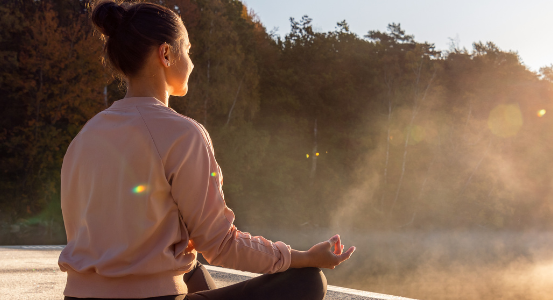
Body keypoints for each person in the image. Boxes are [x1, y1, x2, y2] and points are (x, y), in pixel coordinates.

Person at [57, 1, 355, 299]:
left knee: (191, 268)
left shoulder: (84, 137)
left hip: (77, 296)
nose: (192, 62)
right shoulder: (183, 133)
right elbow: (221, 245)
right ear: (166, 53)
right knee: (309, 281)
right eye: (187, 50)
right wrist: (304, 257)